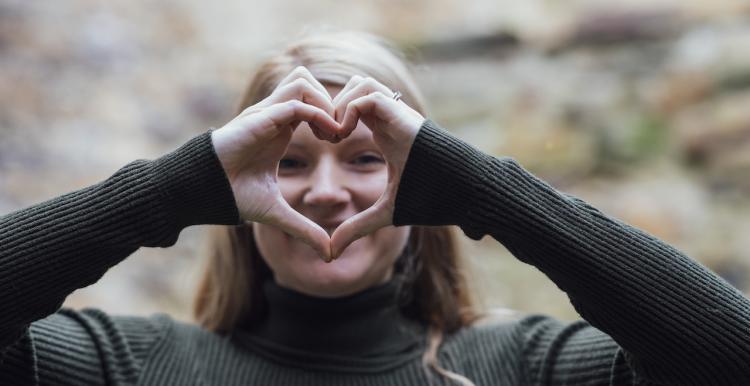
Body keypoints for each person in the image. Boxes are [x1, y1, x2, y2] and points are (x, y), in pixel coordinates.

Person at [1, 30, 749, 386]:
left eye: (369, 159)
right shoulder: (120, 365)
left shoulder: (528, 368)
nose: (326, 193)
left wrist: (482, 189)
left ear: (425, 186)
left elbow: (729, 357)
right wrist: (173, 187)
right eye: (286, 163)